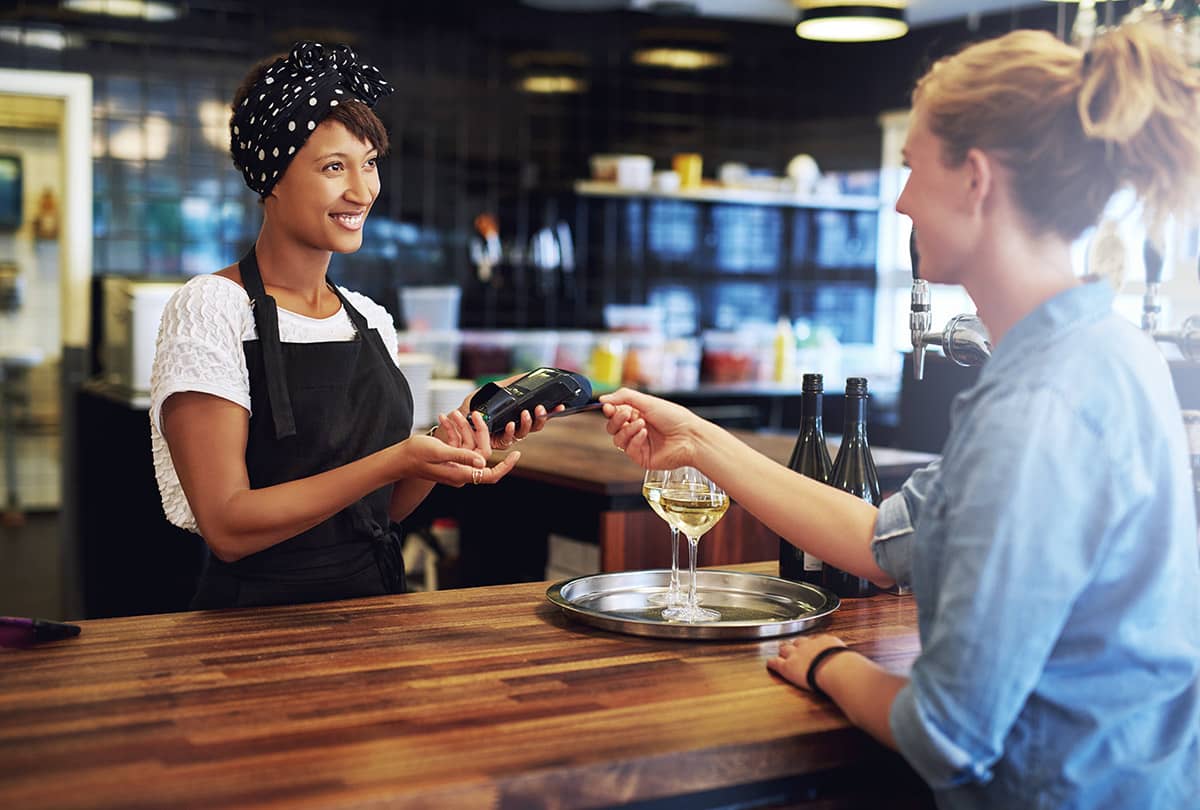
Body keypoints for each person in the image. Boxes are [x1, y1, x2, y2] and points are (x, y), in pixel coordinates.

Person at [602, 22, 1200, 809]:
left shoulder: (1039, 407)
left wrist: (826, 663)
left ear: (977, 179)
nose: (899, 198)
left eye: (914, 166)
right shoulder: (1101, 349)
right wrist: (698, 438)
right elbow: (884, 540)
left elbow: (946, 734)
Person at [150, 42, 550, 610]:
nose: (362, 191)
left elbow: (382, 508)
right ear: (273, 179)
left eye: (369, 163)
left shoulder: (369, 319)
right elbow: (228, 526)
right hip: (254, 629)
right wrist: (397, 458)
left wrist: (443, 451)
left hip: (376, 611)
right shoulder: (212, 309)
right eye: (333, 167)